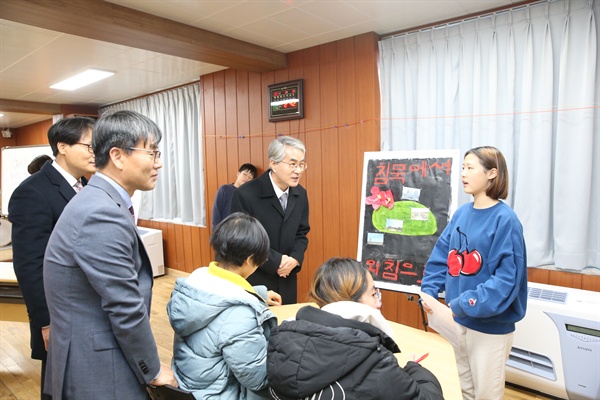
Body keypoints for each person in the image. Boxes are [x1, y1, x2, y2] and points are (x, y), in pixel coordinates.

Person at [43, 110, 177, 399]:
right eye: (152, 153)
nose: (159, 163)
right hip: (98, 363)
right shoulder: (101, 212)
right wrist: (152, 369)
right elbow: (124, 305)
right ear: (117, 156)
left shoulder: (99, 199)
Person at [420, 146, 527, 400]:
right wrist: (429, 292)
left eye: (471, 168)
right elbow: (441, 256)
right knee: (466, 390)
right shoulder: (461, 214)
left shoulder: (505, 220)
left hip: (489, 327)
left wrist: (461, 304)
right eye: (463, 168)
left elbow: (505, 281)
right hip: (458, 321)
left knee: (486, 395)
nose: (464, 174)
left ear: (492, 173)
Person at [267, 257, 444, 400]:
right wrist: (414, 369)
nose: (379, 303)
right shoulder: (373, 360)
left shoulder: (282, 340)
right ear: (351, 302)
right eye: (374, 294)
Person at [8, 116, 96, 400]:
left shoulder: (88, 186)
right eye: (90, 146)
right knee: (59, 387)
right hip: (60, 314)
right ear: (63, 146)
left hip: (90, 307)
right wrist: (45, 321)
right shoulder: (32, 192)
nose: (98, 153)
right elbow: (30, 263)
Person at [168, 212, 281, 399]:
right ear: (249, 259)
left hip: (191, 386)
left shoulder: (194, 284)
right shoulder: (240, 316)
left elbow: (222, 296)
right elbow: (258, 378)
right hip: (222, 394)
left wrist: (257, 294)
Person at [231, 136, 310, 304]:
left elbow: (302, 233)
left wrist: (295, 259)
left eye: (301, 164)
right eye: (292, 164)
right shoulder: (246, 194)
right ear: (273, 164)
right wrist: (277, 261)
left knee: (286, 325)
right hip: (256, 276)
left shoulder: (300, 194)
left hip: (287, 276)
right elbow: (243, 240)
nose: (298, 170)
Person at [212, 163, 257, 228]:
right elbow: (216, 211)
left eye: (250, 177)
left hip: (241, 232)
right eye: (245, 174)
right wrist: (216, 232)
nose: (247, 178)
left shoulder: (249, 195)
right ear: (238, 174)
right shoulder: (224, 189)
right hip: (224, 231)